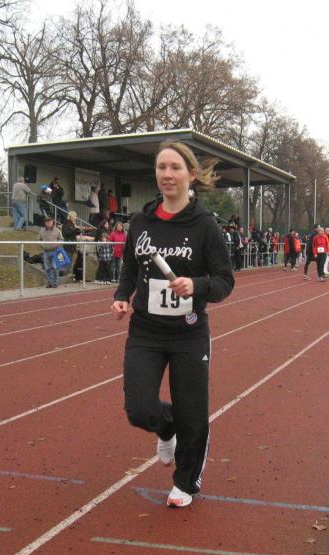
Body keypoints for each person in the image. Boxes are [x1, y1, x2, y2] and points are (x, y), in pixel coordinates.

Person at [111, 140, 234, 508]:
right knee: (139, 409)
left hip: (188, 333)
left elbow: (224, 281)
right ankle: (166, 429)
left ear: (191, 175)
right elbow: (130, 268)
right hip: (146, 332)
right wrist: (122, 295)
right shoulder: (141, 222)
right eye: (161, 167)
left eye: (175, 167)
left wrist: (195, 285)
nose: (167, 174)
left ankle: (185, 482)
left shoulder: (205, 226)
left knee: (192, 413)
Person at [38, 215, 63, 288]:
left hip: (55, 251)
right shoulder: (42, 230)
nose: (48, 223)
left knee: (55, 267)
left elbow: (61, 239)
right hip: (45, 251)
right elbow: (38, 239)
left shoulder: (57, 230)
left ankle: (55, 282)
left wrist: (56, 245)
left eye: (50, 222)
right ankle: (49, 283)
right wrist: (42, 245)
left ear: (52, 222)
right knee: (47, 268)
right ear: (45, 223)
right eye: (47, 222)